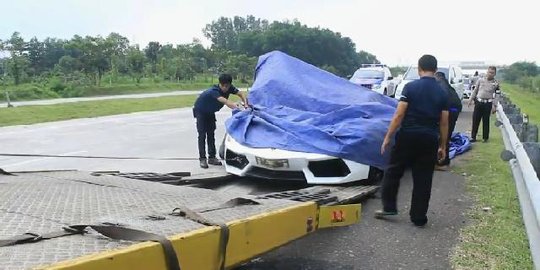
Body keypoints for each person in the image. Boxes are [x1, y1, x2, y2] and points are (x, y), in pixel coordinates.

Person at [375, 55, 449, 227]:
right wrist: (442, 146)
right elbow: (444, 122)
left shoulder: (410, 87)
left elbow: (399, 114)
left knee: (393, 171)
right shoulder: (442, 93)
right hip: (429, 138)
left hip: (408, 135)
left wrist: (388, 136)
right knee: (423, 178)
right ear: (436, 70)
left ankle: (389, 207)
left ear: (419, 68)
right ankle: (418, 217)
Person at [193, 74, 248, 169]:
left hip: (210, 111)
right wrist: (239, 107)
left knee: (211, 134)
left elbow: (241, 94)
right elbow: (226, 102)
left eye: (228, 86)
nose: (226, 89)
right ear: (220, 85)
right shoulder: (213, 91)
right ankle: (202, 159)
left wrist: (246, 103)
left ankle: (212, 157)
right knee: (202, 135)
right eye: (225, 86)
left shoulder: (230, 88)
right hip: (200, 111)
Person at [435, 71, 463, 170]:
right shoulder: (447, 84)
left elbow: (443, 98)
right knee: (447, 135)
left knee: (443, 136)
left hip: (450, 110)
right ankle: (443, 161)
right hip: (455, 109)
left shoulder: (440, 84)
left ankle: (441, 163)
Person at [468, 66, 500, 142]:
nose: (490, 74)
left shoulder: (495, 83)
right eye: (489, 72)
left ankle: (485, 138)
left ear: (494, 74)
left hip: (488, 103)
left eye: (492, 73)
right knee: (475, 119)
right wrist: (471, 99)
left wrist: (494, 105)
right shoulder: (480, 80)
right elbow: (475, 91)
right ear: (487, 72)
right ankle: (473, 137)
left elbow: (497, 95)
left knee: (486, 121)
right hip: (479, 102)